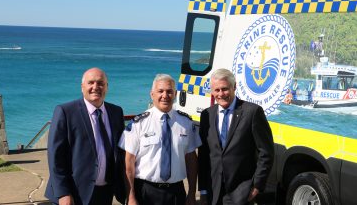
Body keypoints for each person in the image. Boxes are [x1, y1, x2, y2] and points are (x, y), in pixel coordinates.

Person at [45, 68, 126, 205]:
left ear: (107, 87)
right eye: (91, 83)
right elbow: (55, 156)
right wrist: (63, 193)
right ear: (82, 87)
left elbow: (121, 152)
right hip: (74, 195)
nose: (96, 87)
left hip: (105, 193)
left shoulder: (116, 112)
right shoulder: (66, 112)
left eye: (100, 83)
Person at [119, 74, 201, 205]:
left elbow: (191, 160)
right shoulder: (138, 123)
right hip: (145, 192)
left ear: (175, 94)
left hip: (176, 192)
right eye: (160, 91)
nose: (165, 95)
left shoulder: (186, 123)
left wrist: (191, 193)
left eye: (169, 91)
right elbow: (128, 163)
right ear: (152, 94)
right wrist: (131, 196)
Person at [198, 68, 274, 205]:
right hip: (213, 191)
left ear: (234, 87)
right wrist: (203, 190)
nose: (221, 94)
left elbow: (266, 152)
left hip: (241, 192)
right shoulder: (206, 115)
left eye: (225, 89)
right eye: (216, 90)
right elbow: (203, 155)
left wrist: (257, 185)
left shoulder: (252, 112)